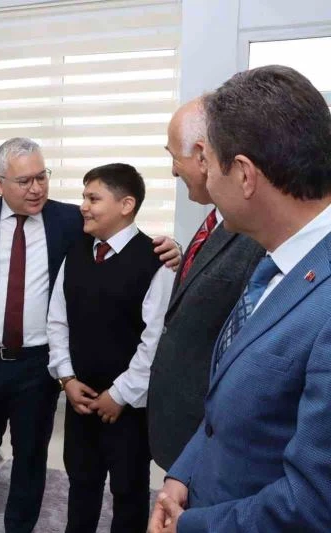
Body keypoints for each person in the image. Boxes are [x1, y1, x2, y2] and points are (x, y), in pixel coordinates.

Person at [0, 138, 180, 533]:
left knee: (31, 451)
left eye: (42, 177)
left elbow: (122, 236)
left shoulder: (68, 219)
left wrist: (173, 247)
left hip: (38, 363)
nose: (36, 189)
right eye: (24, 181)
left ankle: (20, 524)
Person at [149, 65, 331, 533]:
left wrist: (190, 525)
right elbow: (227, 407)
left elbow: (313, 503)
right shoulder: (275, 263)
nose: (206, 181)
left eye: (211, 164)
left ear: (245, 175)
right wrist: (183, 474)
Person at [48, 163, 175, 533]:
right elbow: (57, 321)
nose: (83, 207)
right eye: (83, 197)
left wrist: (119, 395)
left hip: (129, 408)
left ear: (126, 205)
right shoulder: (75, 252)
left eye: (93, 198)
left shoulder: (157, 261)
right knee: (81, 483)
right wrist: (67, 379)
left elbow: (154, 340)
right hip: (80, 399)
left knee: (129, 491)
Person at [146, 98, 264, 471]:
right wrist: (186, 263)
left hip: (210, 436)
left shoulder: (256, 228)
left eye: (173, 157)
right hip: (182, 423)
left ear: (201, 156)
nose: (172, 170)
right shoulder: (216, 217)